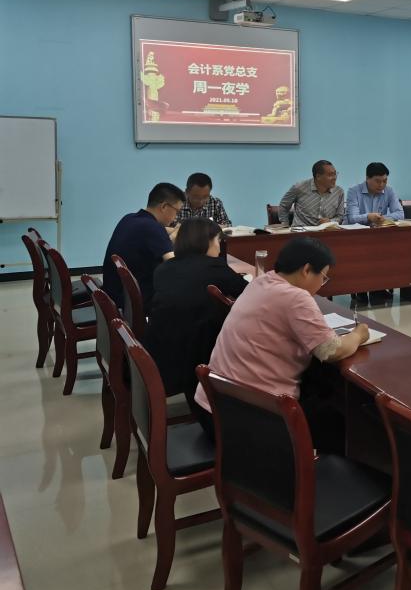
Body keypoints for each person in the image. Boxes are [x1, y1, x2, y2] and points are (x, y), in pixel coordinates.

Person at [193, 237, 368, 453]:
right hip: (246, 420)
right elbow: (331, 350)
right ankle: (316, 471)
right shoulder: (295, 297)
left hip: (213, 407)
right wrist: (359, 335)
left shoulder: (261, 282)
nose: (321, 285)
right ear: (306, 270)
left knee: (320, 392)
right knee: (343, 422)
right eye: (323, 277)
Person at [144, 219, 248, 409]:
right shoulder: (215, 267)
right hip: (189, 363)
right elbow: (247, 293)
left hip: (157, 354)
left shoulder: (164, 268)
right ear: (207, 241)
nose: (219, 248)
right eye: (218, 241)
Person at [101, 182, 183, 311]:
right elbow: (175, 266)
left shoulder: (129, 218)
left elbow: (164, 232)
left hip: (115, 294)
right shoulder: (153, 228)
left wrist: (178, 232)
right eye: (177, 211)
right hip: (134, 302)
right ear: (164, 206)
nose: (176, 217)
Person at [278, 160, 346, 227]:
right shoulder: (299, 187)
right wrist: (285, 225)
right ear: (318, 176)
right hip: (301, 230)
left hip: (326, 231)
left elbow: (340, 216)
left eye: (335, 174)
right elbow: (284, 206)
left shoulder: (339, 192)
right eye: (330, 175)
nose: (334, 178)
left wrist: (330, 221)